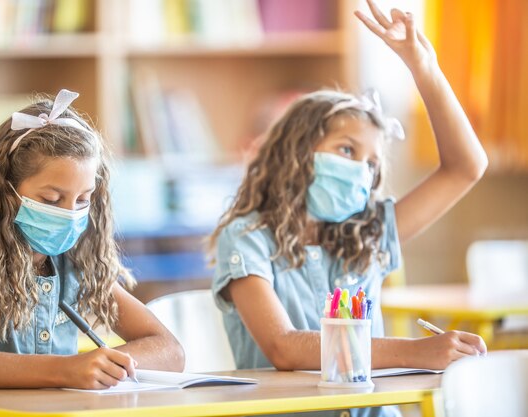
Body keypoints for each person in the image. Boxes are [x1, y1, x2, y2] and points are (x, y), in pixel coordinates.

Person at [209, 1, 488, 416]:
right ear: (297, 152)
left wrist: (422, 68)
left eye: (371, 163)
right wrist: (416, 351)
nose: (359, 169)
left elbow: (467, 167)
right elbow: (283, 346)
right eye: (345, 149)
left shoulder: (368, 230)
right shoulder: (248, 238)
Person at [0, 89, 184, 389]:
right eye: (52, 199)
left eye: (83, 200)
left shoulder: (78, 264)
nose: (70, 214)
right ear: (7, 192)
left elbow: (170, 351)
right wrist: (65, 369)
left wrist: (101, 366)